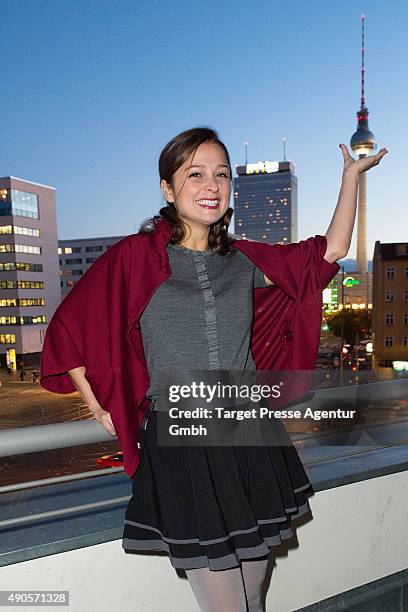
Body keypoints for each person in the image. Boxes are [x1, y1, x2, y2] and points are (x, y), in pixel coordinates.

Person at [40, 127, 387, 611]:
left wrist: (350, 177)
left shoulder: (242, 259)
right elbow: (69, 330)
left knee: (252, 596)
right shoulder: (135, 257)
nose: (212, 185)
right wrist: (101, 406)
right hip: (185, 441)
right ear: (167, 188)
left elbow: (327, 253)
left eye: (221, 175)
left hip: (252, 435)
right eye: (195, 174)